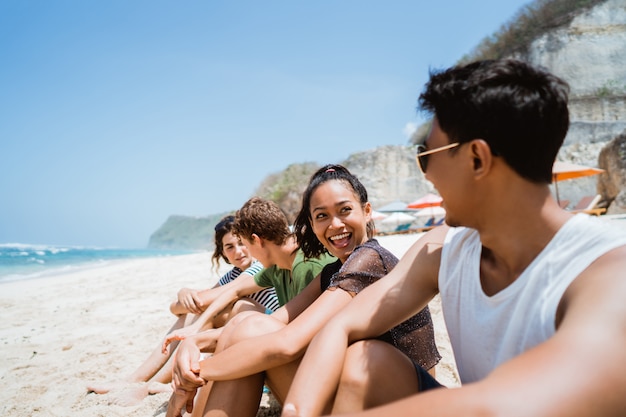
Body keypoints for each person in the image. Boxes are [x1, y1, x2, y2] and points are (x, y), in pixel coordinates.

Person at [281, 59, 626, 417]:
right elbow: (340, 326)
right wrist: (296, 410)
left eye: (426, 156)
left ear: (477, 158)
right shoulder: (444, 249)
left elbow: (508, 405)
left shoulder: (605, 273)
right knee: (366, 359)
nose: (426, 173)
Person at [166, 165, 440, 417]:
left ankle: (187, 398)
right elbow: (276, 321)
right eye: (322, 216)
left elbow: (287, 344)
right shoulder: (333, 271)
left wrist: (196, 371)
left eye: (345, 210)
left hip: (403, 401)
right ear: (311, 223)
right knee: (245, 323)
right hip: (356, 394)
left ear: (366, 211)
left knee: (251, 331)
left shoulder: (370, 259)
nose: (335, 225)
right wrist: (196, 341)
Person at [86, 215, 279, 405]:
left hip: (267, 330)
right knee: (193, 314)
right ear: (223, 253)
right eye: (229, 247)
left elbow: (203, 301)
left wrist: (187, 295)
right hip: (242, 332)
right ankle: (135, 379)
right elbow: (179, 309)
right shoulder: (230, 276)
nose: (239, 251)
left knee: (235, 306)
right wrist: (183, 294)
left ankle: (151, 384)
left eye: (241, 243)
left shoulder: (259, 266)